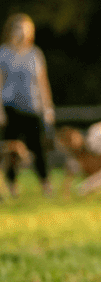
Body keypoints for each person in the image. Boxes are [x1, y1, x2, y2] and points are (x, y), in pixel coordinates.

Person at [0, 14, 55, 198]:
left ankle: (46, 184)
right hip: (11, 108)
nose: (22, 33)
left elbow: (43, 82)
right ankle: (11, 186)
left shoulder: (35, 54)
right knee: (11, 150)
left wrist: (48, 108)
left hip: (33, 108)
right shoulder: (3, 54)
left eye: (26, 29)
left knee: (38, 148)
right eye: (19, 29)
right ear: (11, 30)